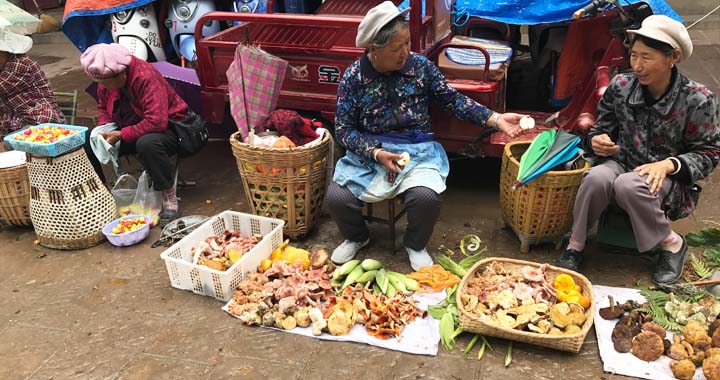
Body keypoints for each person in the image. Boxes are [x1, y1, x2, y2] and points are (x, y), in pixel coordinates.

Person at [326, 1, 526, 270]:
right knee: (337, 198)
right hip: (371, 152)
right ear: (373, 48)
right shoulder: (354, 77)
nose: (405, 52)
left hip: (417, 149)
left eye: (407, 43)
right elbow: (344, 130)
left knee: (426, 198)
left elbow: (451, 100)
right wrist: (376, 152)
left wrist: (495, 118)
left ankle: (415, 244)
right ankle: (357, 237)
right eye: (396, 48)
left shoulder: (420, 67)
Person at [555, 15, 720, 284]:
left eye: (647, 57)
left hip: (666, 178)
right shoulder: (621, 87)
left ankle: (671, 243)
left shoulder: (698, 99)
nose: (638, 66)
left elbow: (710, 153)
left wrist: (668, 164)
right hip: (622, 161)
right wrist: (597, 140)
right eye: (634, 56)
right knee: (596, 178)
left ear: (673, 57)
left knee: (629, 185)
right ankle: (576, 244)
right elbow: (601, 128)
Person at [81, 43, 190, 222]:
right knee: (85, 140)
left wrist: (121, 134)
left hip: (169, 130)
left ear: (121, 74)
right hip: (128, 127)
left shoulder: (146, 78)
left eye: (106, 84)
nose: (103, 88)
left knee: (147, 143)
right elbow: (103, 106)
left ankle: (168, 196)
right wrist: (105, 127)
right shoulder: (105, 79)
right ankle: (101, 194)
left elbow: (156, 122)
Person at [0, 28, 108, 182]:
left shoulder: (21, 64)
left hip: (41, 120)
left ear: (5, 51)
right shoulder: (3, 68)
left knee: (11, 144)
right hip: (18, 124)